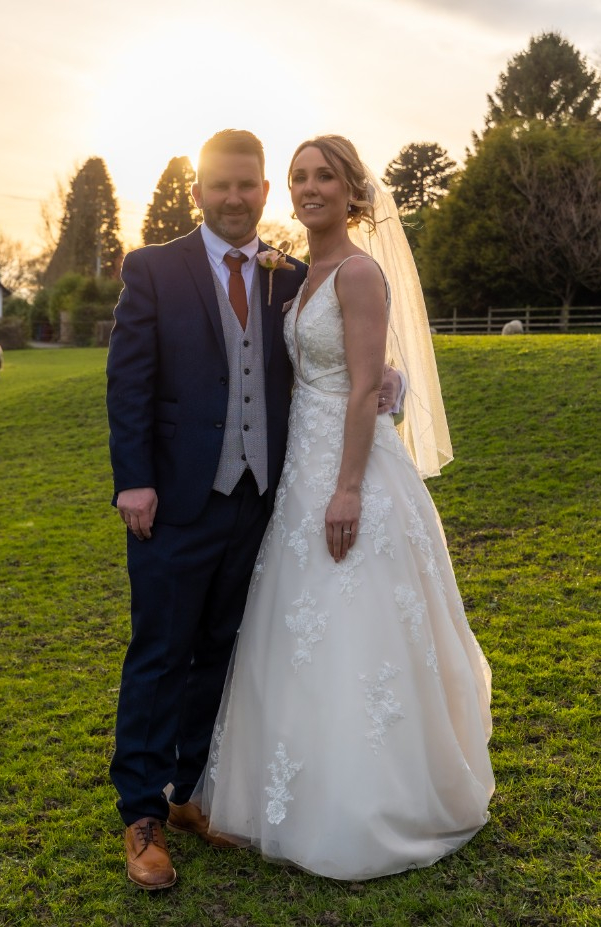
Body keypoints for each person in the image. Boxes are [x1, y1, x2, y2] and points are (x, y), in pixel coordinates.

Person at [106, 130, 403, 890]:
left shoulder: (292, 275)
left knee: (222, 651)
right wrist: (133, 479)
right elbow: (129, 383)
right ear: (200, 191)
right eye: (220, 186)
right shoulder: (154, 270)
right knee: (160, 654)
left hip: (262, 503)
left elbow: (339, 354)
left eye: (249, 186)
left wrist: (388, 380)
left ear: (263, 193)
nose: (235, 198)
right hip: (173, 501)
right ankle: (140, 815)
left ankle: (190, 792)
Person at [197, 135, 495, 881]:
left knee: (359, 618)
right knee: (298, 620)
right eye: (298, 177)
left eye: (323, 175)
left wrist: (349, 488)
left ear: (352, 189)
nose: (308, 187)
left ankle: (374, 798)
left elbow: (364, 387)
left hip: (345, 468)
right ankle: (299, 784)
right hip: (299, 464)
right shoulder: (297, 274)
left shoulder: (359, 273)